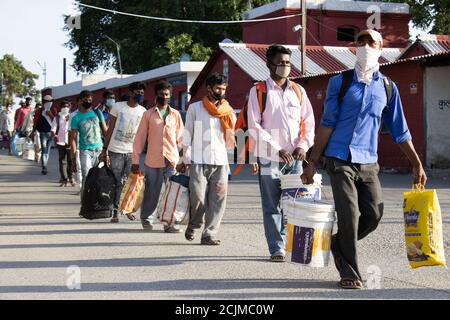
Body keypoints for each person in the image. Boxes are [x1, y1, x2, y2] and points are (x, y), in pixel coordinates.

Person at [301, 29, 427, 289]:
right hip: (339, 158)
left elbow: (400, 130)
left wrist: (416, 163)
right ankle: (349, 271)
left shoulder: (388, 87)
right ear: (355, 47)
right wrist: (313, 161)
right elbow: (327, 123)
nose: (365, 46)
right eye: (361, 42)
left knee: (374, 214)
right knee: (349, 215)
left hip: (368, 160)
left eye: (371, 42)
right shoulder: (340, 82)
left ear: (381, 48)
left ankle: (338, 243)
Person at [246, 44, 315, 262]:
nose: (285, 66)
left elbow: (308, 123)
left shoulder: (298, 91)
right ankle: (276, 248)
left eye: (287, 63)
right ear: (269, 64)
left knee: (292, 204)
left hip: (295, 159)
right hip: (269, 158)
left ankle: (290, 243)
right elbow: (254, 125)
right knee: (272, 204)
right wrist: (278, 148)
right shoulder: (258, 91)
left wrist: (303, 145)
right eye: (280, 62)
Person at [180, 73, 236, 245]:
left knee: (218, 200)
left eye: (224, 88)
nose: (221, 91)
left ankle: (209, 233)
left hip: (221, 161)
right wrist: (183, 158)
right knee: (198, 198)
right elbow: (187, 134)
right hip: (198, 160)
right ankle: (194, 224)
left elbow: (235, 135)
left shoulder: (228, 111)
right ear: (209, 88)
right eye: (218, 88)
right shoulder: (195, 108)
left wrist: (251, 159)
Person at [132, 81, 184, 232]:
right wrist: (135, 161)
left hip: (171, 160)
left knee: (171, 192)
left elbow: (181, 138)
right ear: (156, 95)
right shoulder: (148, 114)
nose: (164, 97)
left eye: (167, 94)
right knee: (152, 192)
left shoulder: (175, 115)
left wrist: (184, 159)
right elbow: (140, 138)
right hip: (153, 160)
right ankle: (147, 218)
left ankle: (170, 223)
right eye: (161, 94)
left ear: (171, 95)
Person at [99, 82, 147, 223]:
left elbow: (142, 135)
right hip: (116, 151)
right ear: (131, 93)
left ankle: (127, 209)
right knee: (117, 182)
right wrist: (104, 150)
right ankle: (115, 211)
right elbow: (110, 129)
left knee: (131, 182)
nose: (140, 95)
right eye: (137, 92)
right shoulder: (118, 107)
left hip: (132, 153)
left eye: (142, 93)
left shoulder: (143, 111)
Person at [70, 90, 108, 198]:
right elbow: (73, 139)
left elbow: (105, 132)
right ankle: (86, 204)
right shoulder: (75, 118)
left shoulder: (97, 113)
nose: (88, 101)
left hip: (100, 150)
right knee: (86, 177)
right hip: (85, 151)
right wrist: (73, 159)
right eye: (85, 99)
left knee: (100, 178)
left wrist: (107, 150)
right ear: (79, 101)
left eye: (90, 100)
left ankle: (98, 203)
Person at [31, 95, 56, 175]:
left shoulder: (53, 110)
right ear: (44, 102)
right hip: (43, 133)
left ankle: (44, 165)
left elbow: (57, 121)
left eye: (51, 101)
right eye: (48, 101)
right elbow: (35, 121)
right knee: (44, 150)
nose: (49, 103)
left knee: (47, 150)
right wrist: (33, 131)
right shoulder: (39, 110)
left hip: (51, 133)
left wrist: (51, 115)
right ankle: (44, 167)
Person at [53, 101, 75, 187]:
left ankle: (71, 178)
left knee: (70, 161)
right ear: (61, 108)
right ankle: (64, 179)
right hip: (61, 141)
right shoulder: (57, 117)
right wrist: (54, 134)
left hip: (70, 141)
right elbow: (54, 127)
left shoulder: (72, 116)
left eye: (67, 106)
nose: (65, 108)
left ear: (69, 108)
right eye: (64, 106)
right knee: (62, 161)